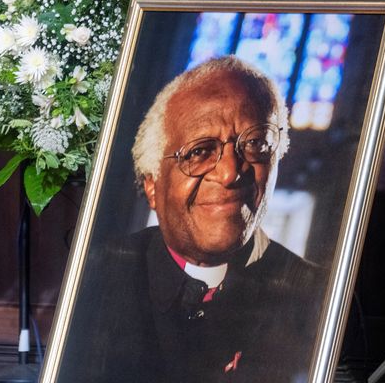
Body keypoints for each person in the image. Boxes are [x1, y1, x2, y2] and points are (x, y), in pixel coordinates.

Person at [59, 56, 326, 383]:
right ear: (152, 184)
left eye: (255, 144)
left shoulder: (320, 296)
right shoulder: (93, 280)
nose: (230, 173)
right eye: (200, 151)